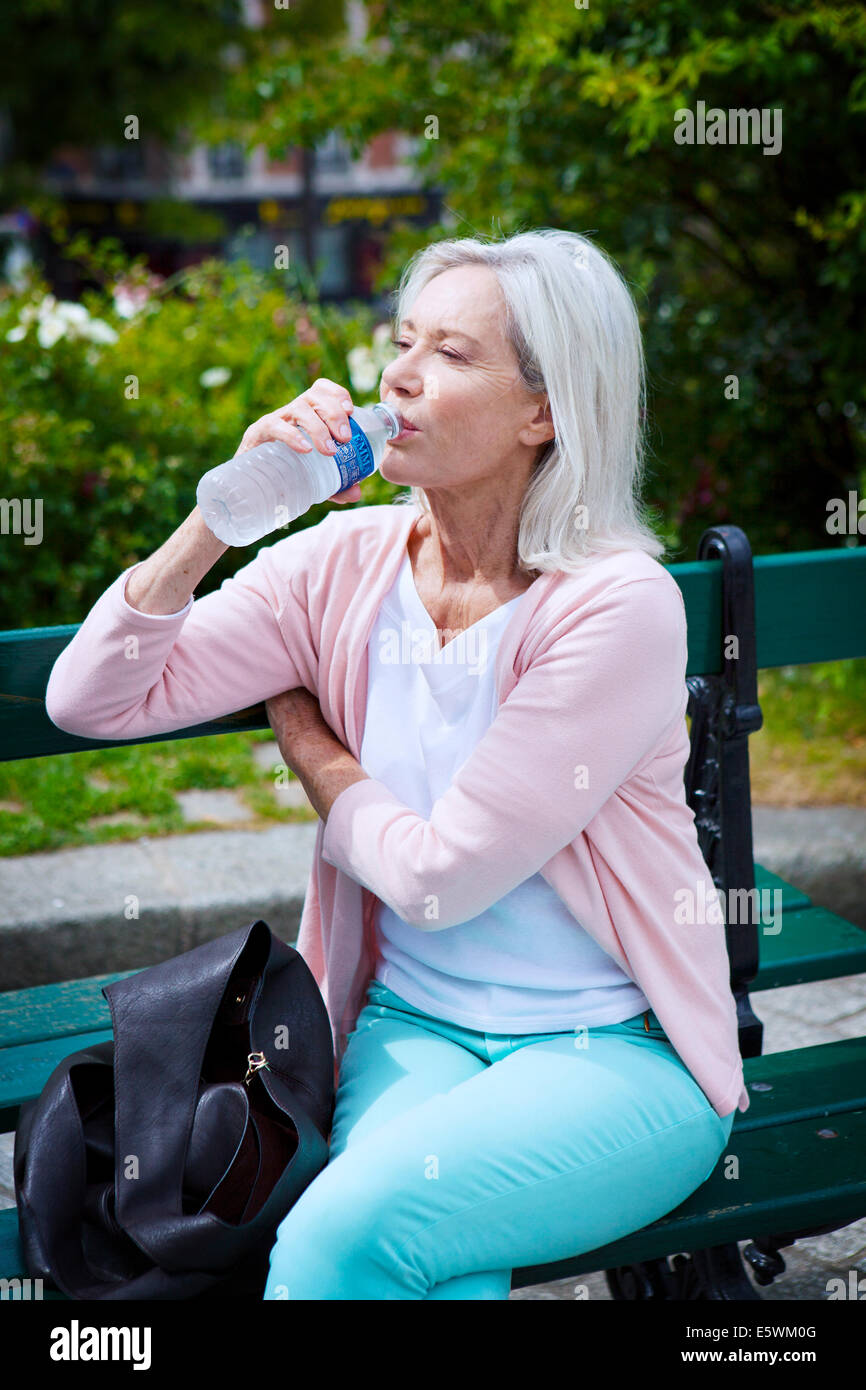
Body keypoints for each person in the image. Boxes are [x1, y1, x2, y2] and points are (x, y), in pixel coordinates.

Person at [45, 228, 747, 1301]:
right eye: (401, 340)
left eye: (453, 355)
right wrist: (215, 515)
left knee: (340, 1241)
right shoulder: (339, 564)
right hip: (409, 1031)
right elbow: (88, 697)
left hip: (614, 1052)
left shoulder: (615, 605)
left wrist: (309, 744)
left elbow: (435, 879)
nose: (399, 376)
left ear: (543, 411)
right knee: (415, 1260)